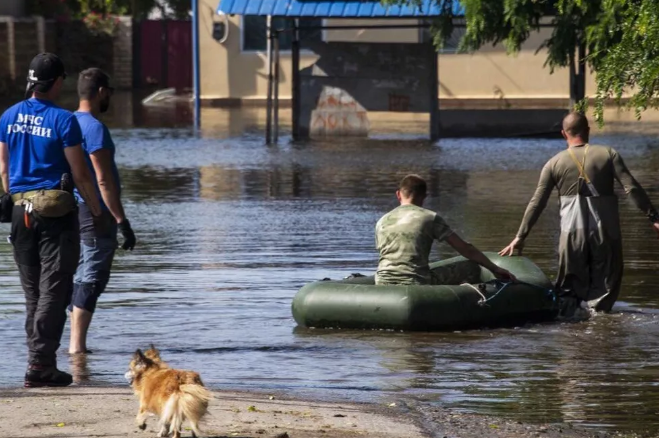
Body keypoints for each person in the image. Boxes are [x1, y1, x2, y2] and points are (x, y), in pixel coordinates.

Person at [0, 53, 102, 387]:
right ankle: (41, 365)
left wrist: (16, 196)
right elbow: (81, 172)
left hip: (20, 213)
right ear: (57, 82)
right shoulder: (63, 120)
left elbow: (3, 170)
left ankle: (38, 362)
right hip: (55, 216)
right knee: (54, 293)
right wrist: (97, 211)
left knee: (33, 293)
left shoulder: (8, 116)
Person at [499, 112, 659, 314]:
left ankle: (573, 334)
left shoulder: (553, 163)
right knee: (606, 287)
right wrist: (654, 218)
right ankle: (600, 329)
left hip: (572, 235)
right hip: (605, 233)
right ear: (588, 131)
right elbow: (632, 189)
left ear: (564, 134)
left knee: (569, 293)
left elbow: (537, 202)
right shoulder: (608, 154)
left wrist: (520, 236)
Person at [68, 68, 136, 354]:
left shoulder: (67, 121)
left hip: (74, 210)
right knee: (92, 276)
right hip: (94, 211)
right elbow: (103, 180)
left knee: (81, 272)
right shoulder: (94, 128)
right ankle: (77, 347)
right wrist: (122, 221)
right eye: (109, 92)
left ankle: (74, 346)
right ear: (101, 92)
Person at [376, 174, 516, 285]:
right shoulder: (430, 217)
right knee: (471, 267)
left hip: (382, 281)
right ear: (424, 196)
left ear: (398, 194)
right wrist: (495, 269)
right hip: (416, 282)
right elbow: (466, 249)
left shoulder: (382, 221)